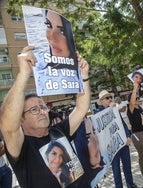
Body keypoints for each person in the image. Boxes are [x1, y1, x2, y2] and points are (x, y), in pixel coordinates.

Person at [0, 45, 90, 188]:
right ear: (21, 119)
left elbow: (81, 108)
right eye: (34, 109)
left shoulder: (58, 130)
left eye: (43, 107)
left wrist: (83, 76)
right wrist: (23, 74)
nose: (42, 111)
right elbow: (8, 127)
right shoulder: (22, 147)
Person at [94, 90, 141, 188]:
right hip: (112, 146)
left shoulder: (115, 110)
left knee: (127, 165)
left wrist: (128, 136)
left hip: (123, 142)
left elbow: (122, 124)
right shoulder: (98, 113)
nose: (110, 99)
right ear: (101, 101)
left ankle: (130, 184)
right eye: (107, 98)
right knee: (116, 169)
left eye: (110, 97)